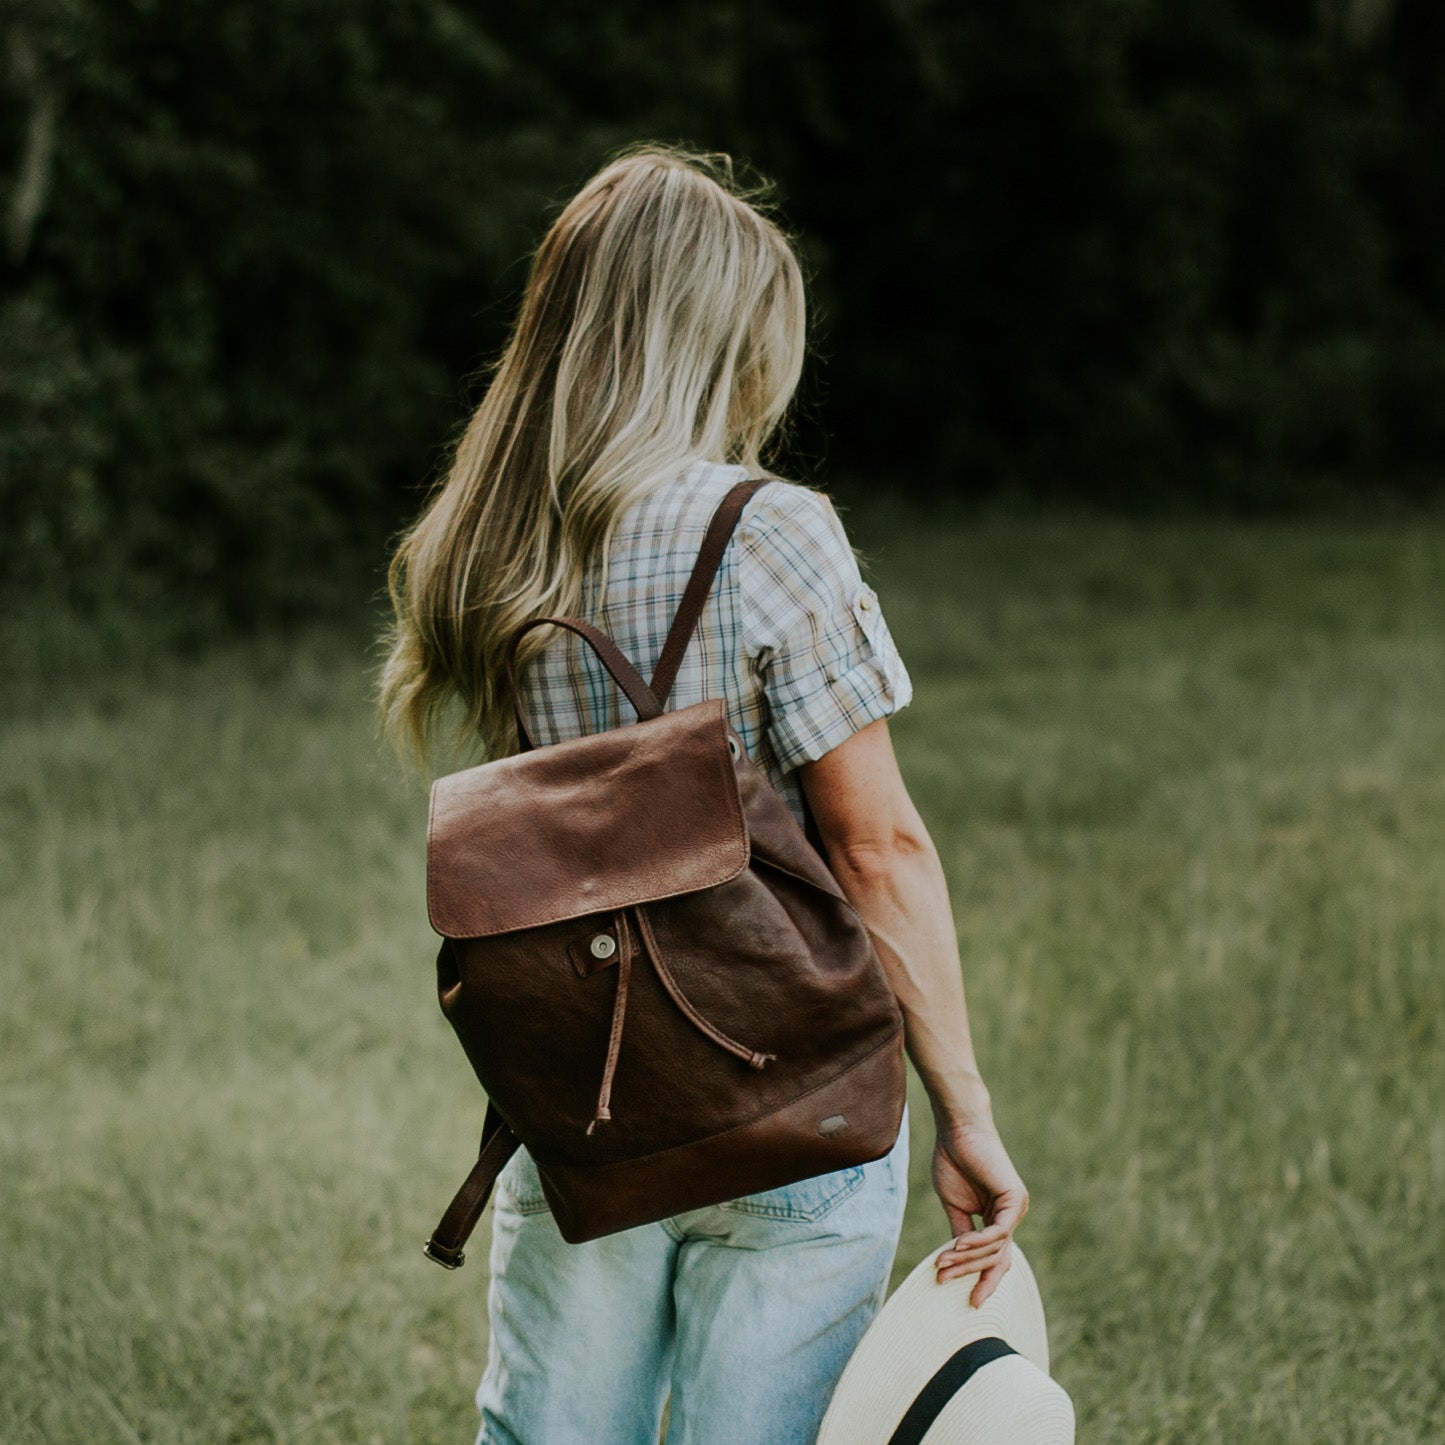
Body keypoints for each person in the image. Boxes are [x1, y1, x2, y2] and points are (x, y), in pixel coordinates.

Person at [379, 144, 1028, 1445]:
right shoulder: (765, 527)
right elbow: (876, 841)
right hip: (787, 1081)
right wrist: (965, 1106)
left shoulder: (487, 540)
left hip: (586, 1092)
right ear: (711, 338)